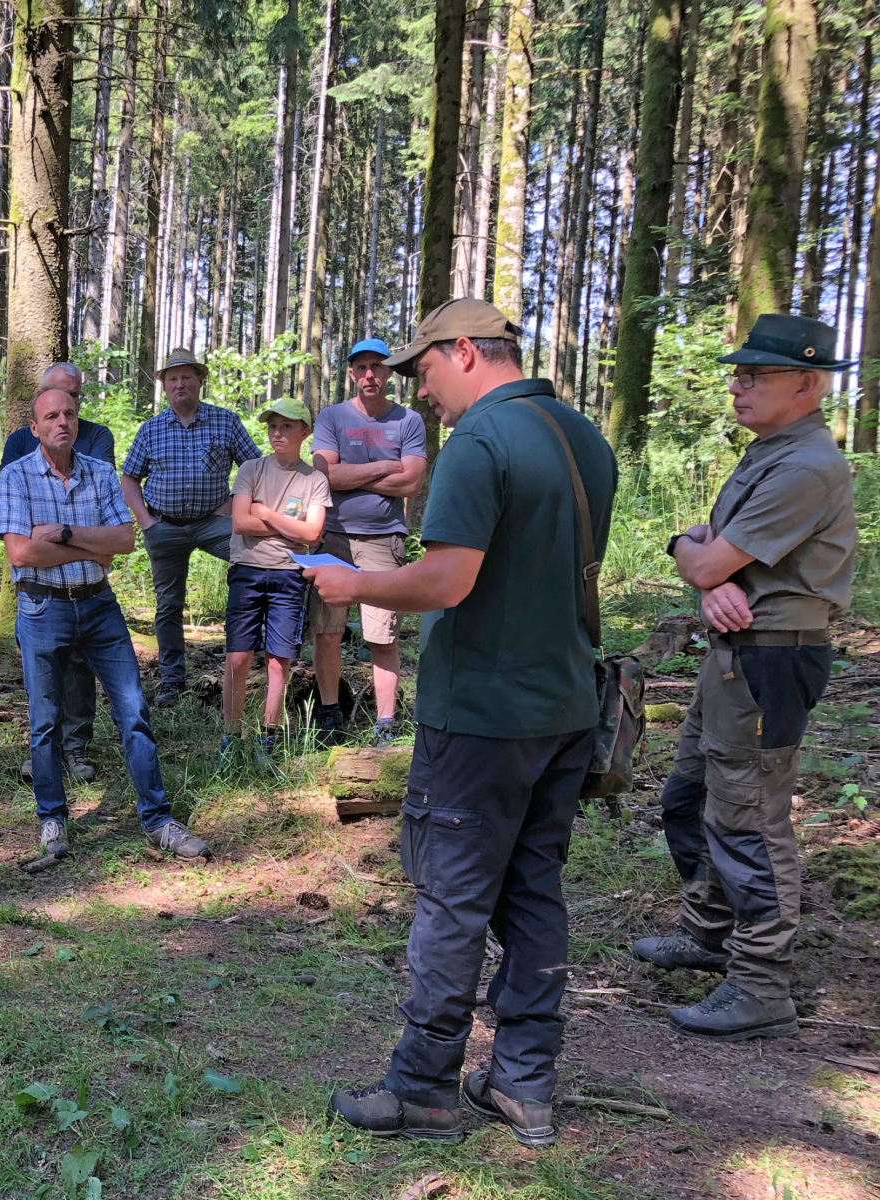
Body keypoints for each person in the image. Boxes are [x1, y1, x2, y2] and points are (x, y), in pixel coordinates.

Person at [309, 300, 617, 1149]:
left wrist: (351, 583)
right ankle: (523, 1083)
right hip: (563, 709)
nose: (423, 391)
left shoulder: (481, 443)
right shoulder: (580, 437)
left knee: (451, 901)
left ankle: (420, 1091)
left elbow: (445, 580)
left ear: (468, 353)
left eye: (426, 370)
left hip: (482, 714)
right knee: (533, 893)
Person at [632, 314, 856, 1042]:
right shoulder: (768, 451)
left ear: (807, 383)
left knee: (749, 819)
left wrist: (700, 566)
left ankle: (760, 984)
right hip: (734, 652)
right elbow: (706, 558)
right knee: (692, 796)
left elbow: (708, 558)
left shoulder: (804, 466)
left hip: (769, 659)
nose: (738, 386)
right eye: (737, 373)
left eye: (755, 376)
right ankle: (707, 935)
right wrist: (698, 569)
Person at [0, 386, 209, 863]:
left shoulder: (100, 473)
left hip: (98, 606)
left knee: (133, 711)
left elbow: (125, 541)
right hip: (41, 609)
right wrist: (94, 548)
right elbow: (21, 551)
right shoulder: (16, 476)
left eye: (69, 413)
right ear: (35, 428)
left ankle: (157, 820)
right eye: (51, 416)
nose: (62, 422)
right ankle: (53, 821)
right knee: (45, 722)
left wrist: (67, 534)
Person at [120, 348, 261, 708]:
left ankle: (252, 661)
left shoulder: (225, 422)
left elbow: (257, 469)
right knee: (168, 606)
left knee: (257, 564)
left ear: (200, 380)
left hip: (214, 523)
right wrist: (146, 521)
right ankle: (171, 680)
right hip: (164, 526)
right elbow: (130, 479)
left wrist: (235, 503)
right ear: (164, 386)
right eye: (172, 378)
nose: (179, 383)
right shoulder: (151, 430)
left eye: (186, 376)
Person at [309, 338, 429, 746]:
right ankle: (329, 713)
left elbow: (412, 480)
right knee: (327, 631)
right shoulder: (332, 417)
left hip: (384, 541)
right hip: (333, 539)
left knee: (383, 635)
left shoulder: (409, 421)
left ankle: (386, 723)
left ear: (389, 372)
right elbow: (326, 476)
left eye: (377, 367)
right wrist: (382, 468)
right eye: (361, 368)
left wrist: (352, 471)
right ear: (351, 374)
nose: (369, 375)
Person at [1, 362, 115, 784]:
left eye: (75, 399)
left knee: (83, 666)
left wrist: (63, 533)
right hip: (39, 586)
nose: (66, 413)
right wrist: (86, 543)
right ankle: (43, 753)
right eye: (55, 401)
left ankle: (77, 745)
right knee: (43, 673)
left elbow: (99, 508)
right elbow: (19, 520)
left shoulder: (98, 436)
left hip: (89, 588)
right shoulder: (18, 441)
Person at [221, 399, 329, 764]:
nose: (277, 433)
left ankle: (268, 736)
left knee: (278, 660)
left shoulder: (314, 479)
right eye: (272, 426)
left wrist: (265, 512)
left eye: (286, 426)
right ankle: (231, 738)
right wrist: (289, 528)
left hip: (290, 575)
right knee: (237, 657)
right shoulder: (251, 469)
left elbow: (313, 534)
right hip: (247, 571)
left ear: (305, 432)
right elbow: (240, 523)